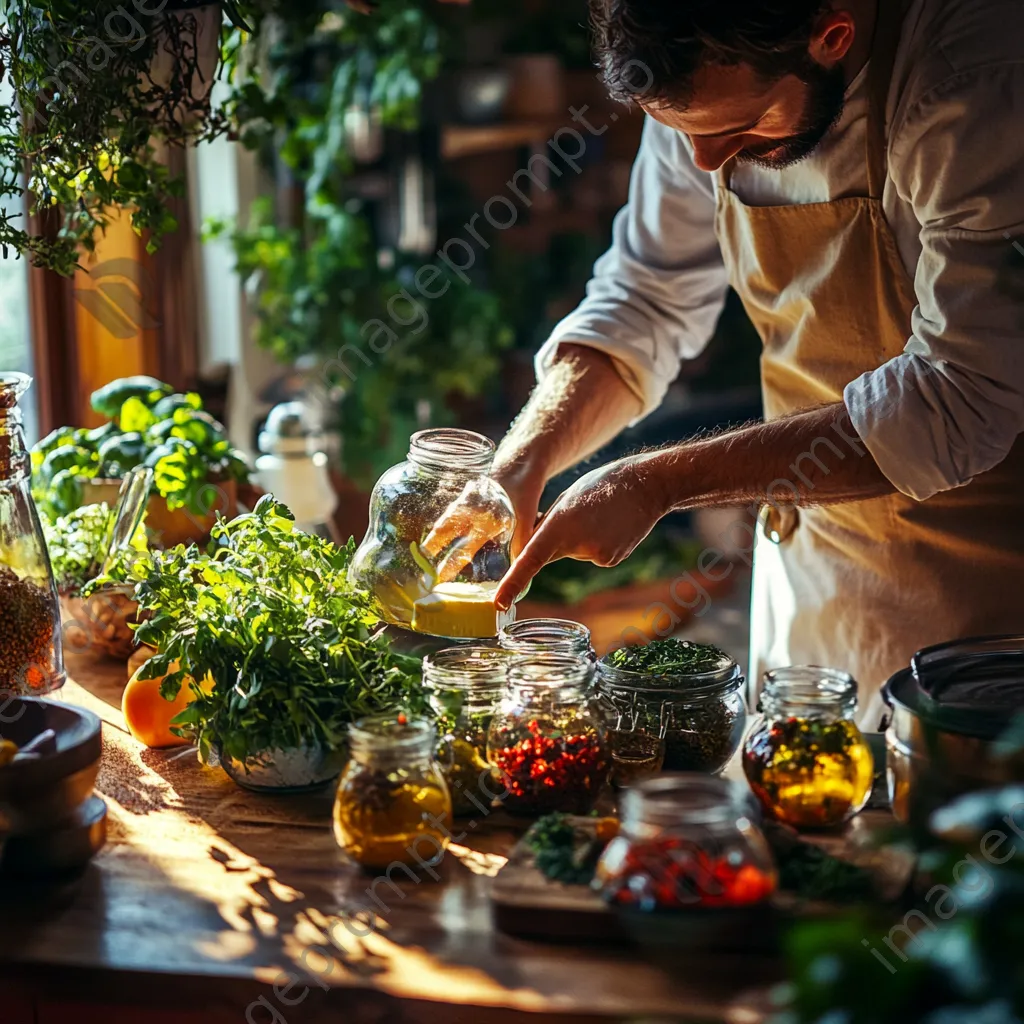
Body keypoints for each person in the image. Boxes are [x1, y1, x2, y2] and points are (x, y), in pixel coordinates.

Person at [431, 0, 1024, 720]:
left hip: (980, 633)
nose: (703, 161)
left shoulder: (974, 81)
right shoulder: (698, 83)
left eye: (735, 129)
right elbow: (648, 298)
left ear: (830, 35)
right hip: (810, 595)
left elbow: (959, 396)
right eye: (682, 131)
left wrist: (656, 484)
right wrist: (515, 468)